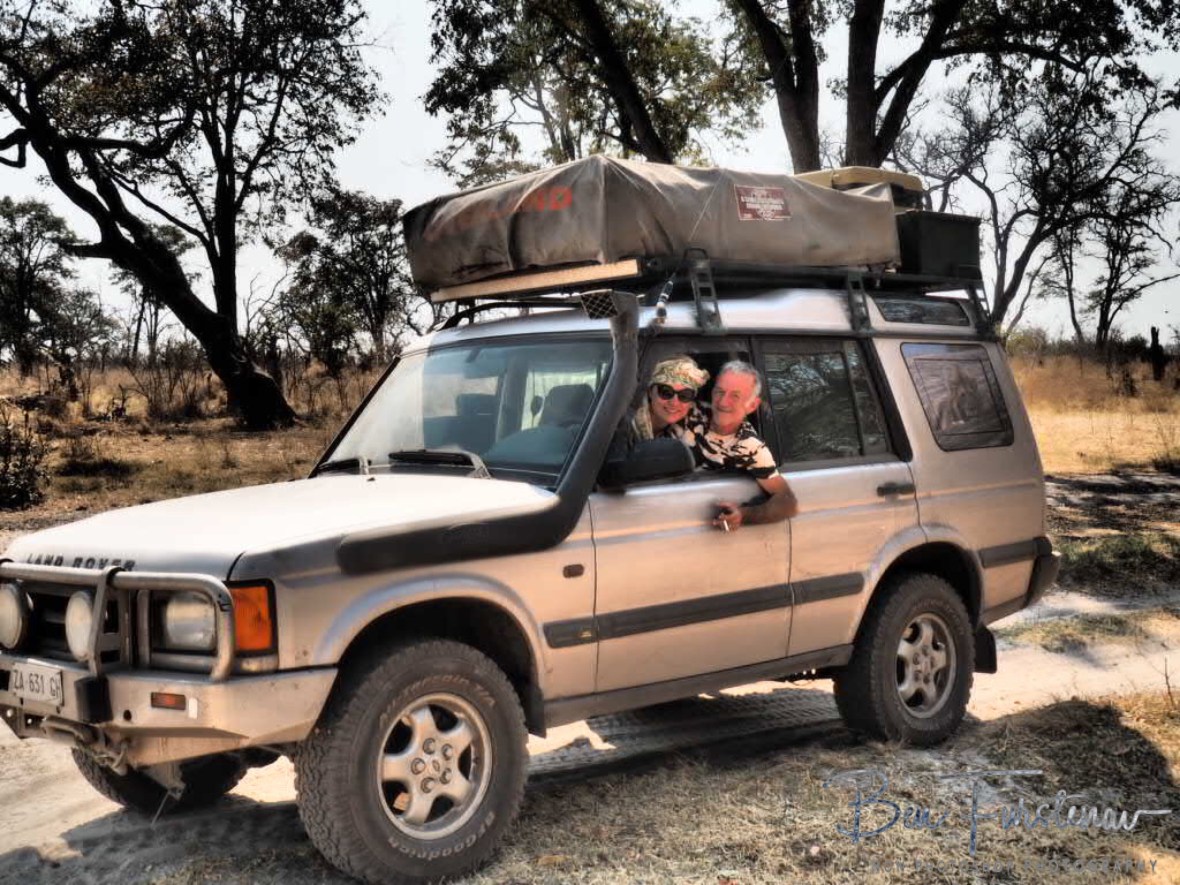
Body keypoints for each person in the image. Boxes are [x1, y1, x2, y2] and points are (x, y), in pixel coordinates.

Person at [680, 360, 798, 532]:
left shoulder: (750, 446)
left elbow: (787, 502)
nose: (723, 403)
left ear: (752, 405)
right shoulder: (687, 410)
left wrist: (744, 514)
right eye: (719, 392)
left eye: (735, 396)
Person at [631, 355, 709, 441]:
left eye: (684, 395)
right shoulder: (628, 430)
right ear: (650, 391)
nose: (674, 402)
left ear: (691, 402)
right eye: (666, 392)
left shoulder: (683, 430)